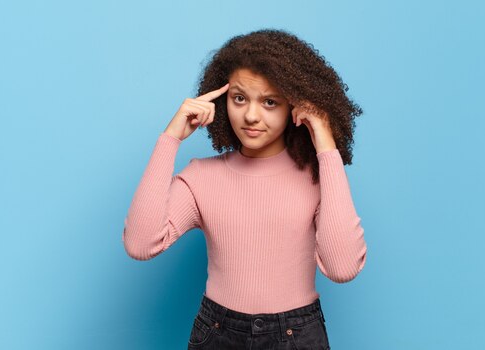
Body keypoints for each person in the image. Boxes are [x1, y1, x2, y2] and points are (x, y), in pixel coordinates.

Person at [122, 28, 367, 349]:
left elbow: (343, 267)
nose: (251, 116)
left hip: (297, 335)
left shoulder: (319, 178)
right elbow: (140, 245)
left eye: (269, 101)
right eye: (240, 98)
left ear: (293, 106)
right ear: (223, 100)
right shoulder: (201, 177)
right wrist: (170, 140)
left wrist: (325, 144)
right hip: (219, 332)